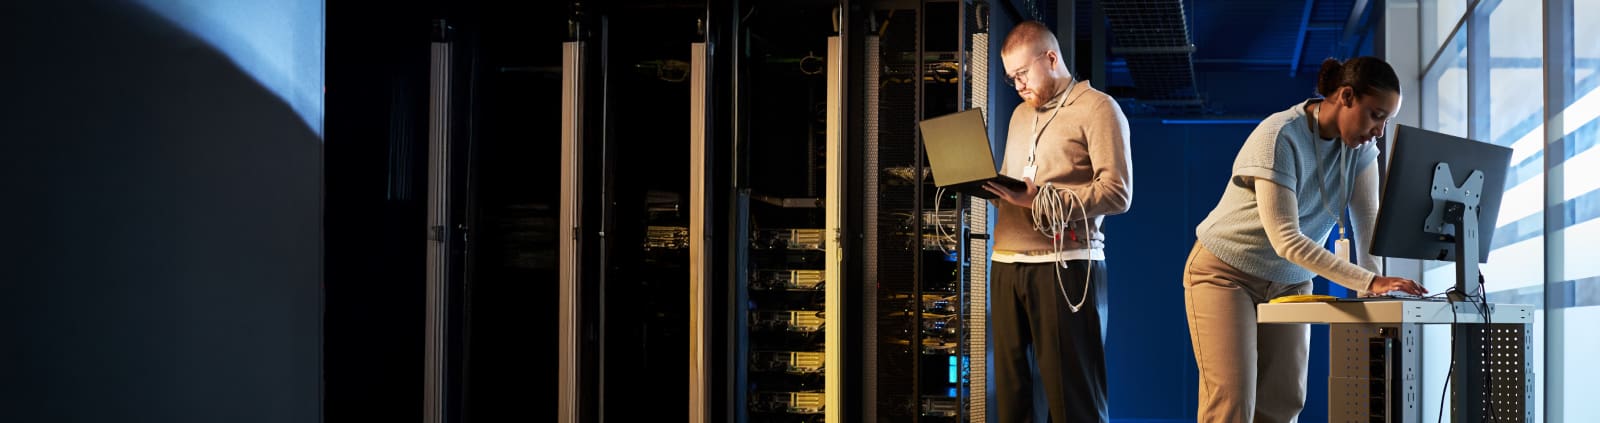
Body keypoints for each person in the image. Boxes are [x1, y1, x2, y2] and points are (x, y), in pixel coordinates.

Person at [1183, 56, 1427, 423]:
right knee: (1233, 404)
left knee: (1284, 401)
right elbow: (1286, 240)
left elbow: (1368, 221)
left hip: (1290, 280)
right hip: (1225, 273)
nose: (1379, 131)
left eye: (1387, 121)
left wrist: (1372, 289)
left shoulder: (1360, 150)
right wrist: (1369, 281)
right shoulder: (1279, 136)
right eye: (1376, 115)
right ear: (1346, 96)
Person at [982, 20, 1132, 423]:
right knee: (1012, 401)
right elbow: (1017, 187)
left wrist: (1043, 200)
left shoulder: (1099, 108)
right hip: (1007, 265)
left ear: (1050, 59)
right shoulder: (1018, 115)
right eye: (1011, 78)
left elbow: (1118, 193)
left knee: (1073, 403)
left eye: (1022, 74)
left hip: (1065, 268)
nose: (1017, 86)